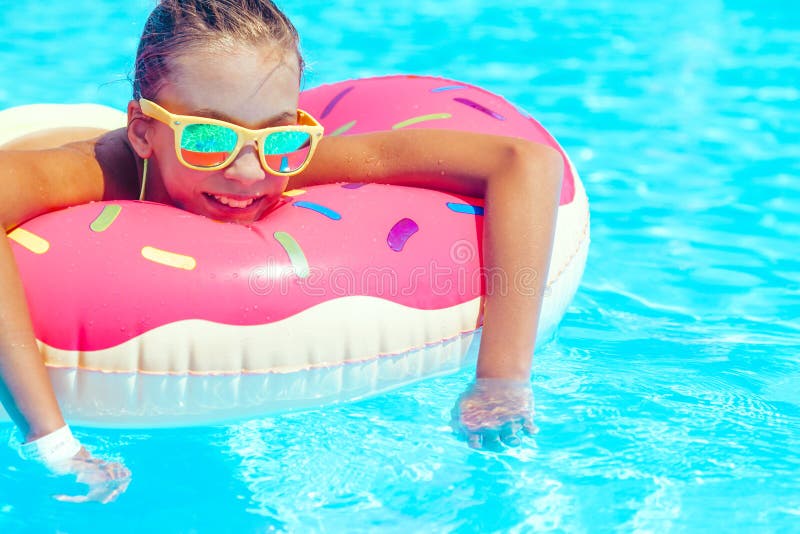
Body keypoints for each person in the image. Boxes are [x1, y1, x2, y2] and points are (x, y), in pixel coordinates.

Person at [0, 0, 562, 503]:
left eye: (280, 137)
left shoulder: (278, 164)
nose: (247, 174)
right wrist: (51, 443)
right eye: (208, 138)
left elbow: (524, 163)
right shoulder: (104, 171)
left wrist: (501, 379)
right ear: (145, 131)